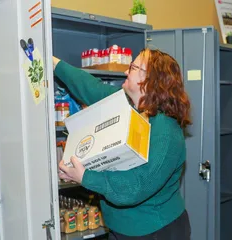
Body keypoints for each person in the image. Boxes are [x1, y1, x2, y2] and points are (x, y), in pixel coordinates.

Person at [54, 48, 192, 240]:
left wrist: (85, 177)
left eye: (133, 68)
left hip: (154, 231)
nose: (126, 72)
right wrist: (53, 63)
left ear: (150, 79)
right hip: (121, 229)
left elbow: (135, 186)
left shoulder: (166, 133)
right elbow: (91, 88)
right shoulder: (127, 106)